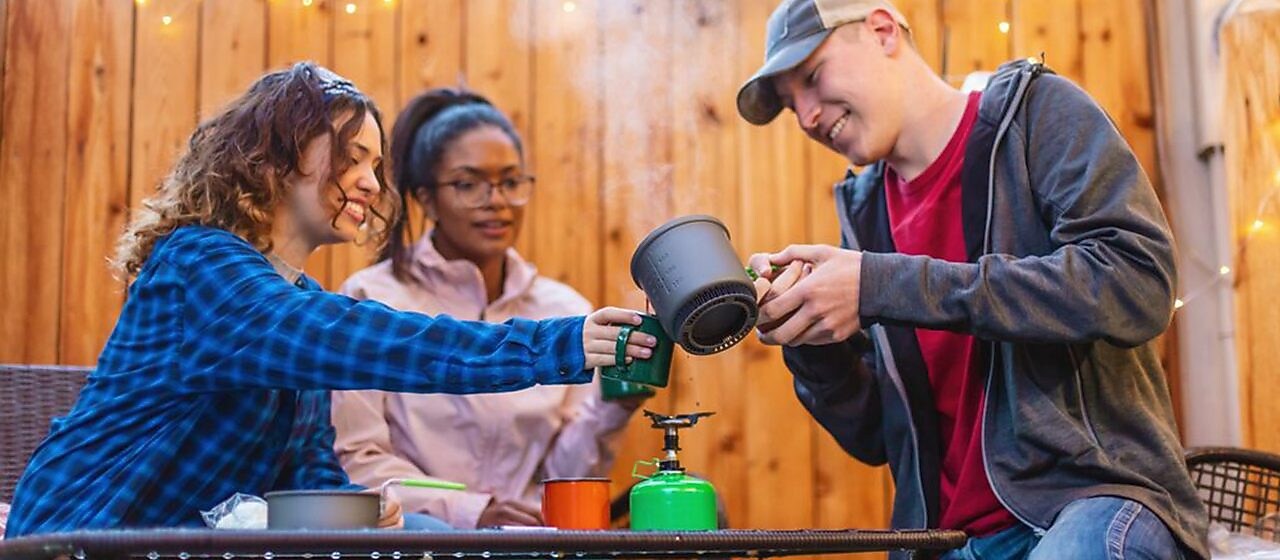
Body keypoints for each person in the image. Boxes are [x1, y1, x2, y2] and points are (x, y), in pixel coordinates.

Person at [4, 63, 654, 537]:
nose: (371, 183)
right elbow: (368, 340)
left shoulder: (294, 298)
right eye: (352, 155)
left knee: (427, 540)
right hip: (75, 537)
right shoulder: (198, 265)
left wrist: (366, 506)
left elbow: (309, 469)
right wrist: (556, 343)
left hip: (176, 544)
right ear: (273, 155)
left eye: (376, 165)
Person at [737, 1, 1209, 558]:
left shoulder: (1037, 114)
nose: (808, 116)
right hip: (942, 541)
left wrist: (884, 285)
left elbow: (1136, 282)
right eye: (792, 105)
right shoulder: (864, 218)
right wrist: (814, 346)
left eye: (812, 78)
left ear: (883, 30)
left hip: (1091, 503)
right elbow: (874, 436)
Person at [331, 88, 642, 529]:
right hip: (416, 543)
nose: (495, 200)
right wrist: (469, 513)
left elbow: (565, 478)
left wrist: (617, 403)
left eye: (511, 182)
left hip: (533, 545)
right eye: (468, 184)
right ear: (426, 199)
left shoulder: (564, 310)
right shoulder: (372, 300)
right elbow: (358, 462)